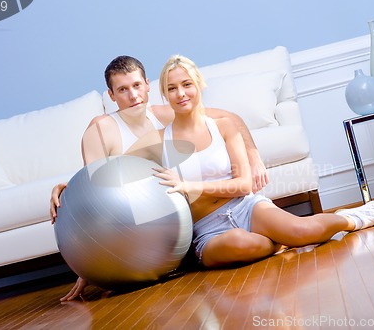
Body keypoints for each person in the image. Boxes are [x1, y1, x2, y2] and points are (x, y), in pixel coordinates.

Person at [126, 54, 374, 268]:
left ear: (199, 85)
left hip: (245, 207)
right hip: (206, 229)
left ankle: (354, 218)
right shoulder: (157, 140)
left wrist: (191, 187)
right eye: (172, 88)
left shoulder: (223, 127)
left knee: (302, 230)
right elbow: (113, 176)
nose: (180, 94)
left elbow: (244, 185)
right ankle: (280, 240)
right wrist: (93, 262)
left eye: (186, 85)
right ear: (164, 94)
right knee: (240, 245)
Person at [50, 55, 269, 301]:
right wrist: (88, 263)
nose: (133, 96)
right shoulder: (101, 129)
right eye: (122, 89)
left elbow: (230, 119)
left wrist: (253, 155)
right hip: (138, 232)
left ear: (147, 85)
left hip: (181, 219)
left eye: (136, 86)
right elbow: (95, 194)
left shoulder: (164, 116)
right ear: (111, 95)